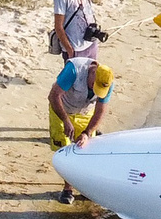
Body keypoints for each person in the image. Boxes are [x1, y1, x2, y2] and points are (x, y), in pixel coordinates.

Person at [48, 58, 115, 200]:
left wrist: (87, 132)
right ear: (93, 72)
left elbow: (100, 110)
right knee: (65, 150)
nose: (93, 88)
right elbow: (53, 96)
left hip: (85, 112)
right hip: (62, 109)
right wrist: (65, 120)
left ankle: (84, 186)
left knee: (85, 148)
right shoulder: (73, 70)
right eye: (93, 84)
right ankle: (68, 189)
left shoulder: (107, 81)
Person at [51, 0, 96, 65]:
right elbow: (58, 26)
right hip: (75, 48)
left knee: (92, 78)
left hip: (91, 43)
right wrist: (69, 49)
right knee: (75, 80)